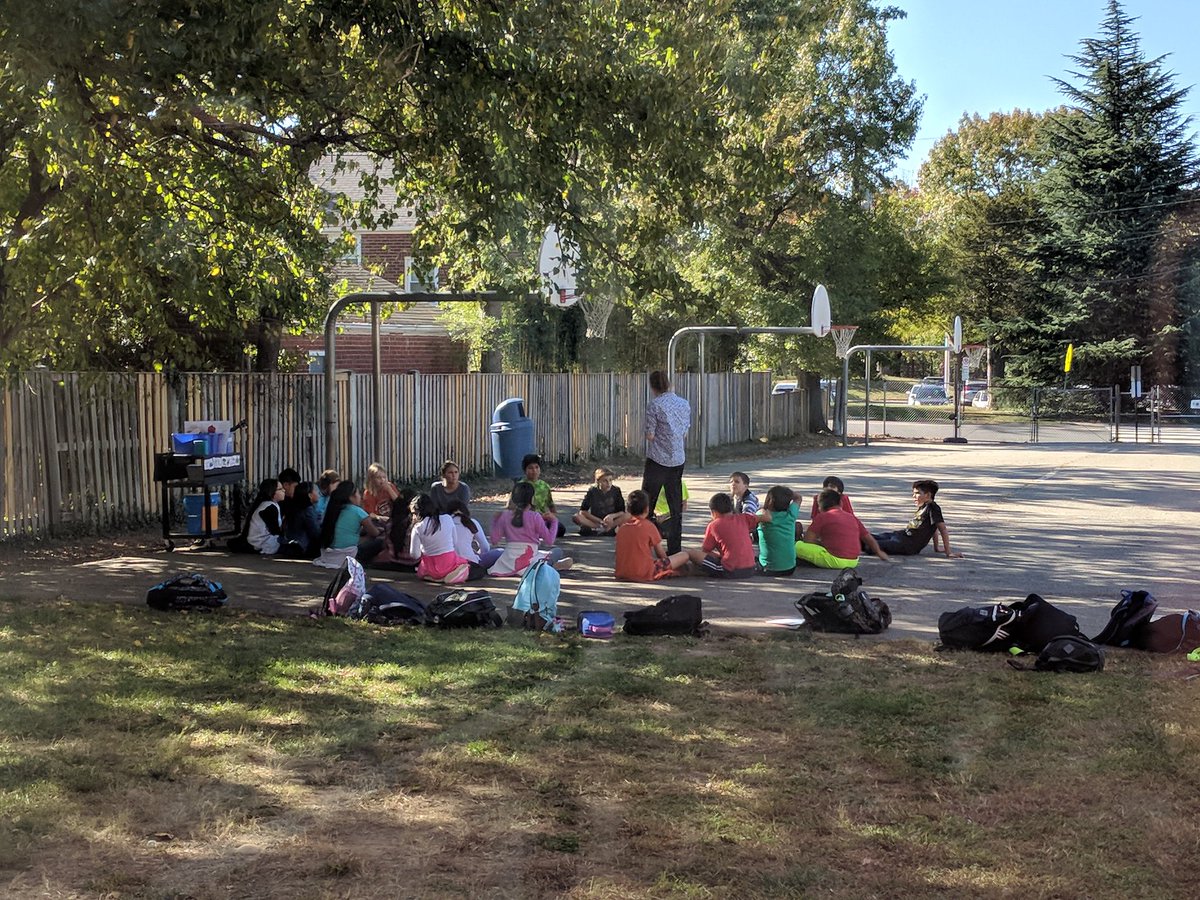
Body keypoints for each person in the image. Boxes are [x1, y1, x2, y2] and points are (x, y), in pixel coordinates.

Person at [641, 370, 690, 554]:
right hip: (678, 458)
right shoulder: (684, 404)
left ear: (652, 387)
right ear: (669, 384)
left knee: (647, 503)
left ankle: (644, 545)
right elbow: (685, 431)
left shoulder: (654, 406)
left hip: (658, 459)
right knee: (675, 504)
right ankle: (674, 548)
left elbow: (650, 435)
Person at [489, 482, 571, 575]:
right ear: (532, 499)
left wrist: (495, 521)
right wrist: (554, 521)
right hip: (530, 561)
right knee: (557, 551)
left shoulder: (505, 515)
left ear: (513, 499)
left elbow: (494, 541)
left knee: (497, 553)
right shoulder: (535, 516)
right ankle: (550, 566)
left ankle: (550, 565)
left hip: (507, 562)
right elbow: (549, 541)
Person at [796, 488, 888, 569]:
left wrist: (821, 544)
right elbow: (868, 538)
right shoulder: (852, 517)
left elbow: (808, 540)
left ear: (820, 507)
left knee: (796, 546)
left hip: (835, 560)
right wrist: (879, 552)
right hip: (853, 561)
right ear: (841, 503)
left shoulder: (822, 517)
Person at [871, 479, 964, 558]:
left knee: (870, 546)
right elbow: (933, 527)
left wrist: (949, 553)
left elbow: (942, 529)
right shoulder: (924, 506)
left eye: (917, 493)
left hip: (907, 545)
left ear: (927, 495)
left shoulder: (933, 508)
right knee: (868, 537)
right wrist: (936, 547)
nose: (913, 496)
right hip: (900, 536)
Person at [614, 489, 689, 581]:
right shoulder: (649, 526)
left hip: (622, 573)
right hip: (645, 573)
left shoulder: (621, 528)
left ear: (628, 509)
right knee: (685, 555)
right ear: (647, 509)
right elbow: (660, 554)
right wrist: (668, 562)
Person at [408, 493, 481, 583]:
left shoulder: (417, 528)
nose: (413, 517)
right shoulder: (447, 518)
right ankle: (451, 576)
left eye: (414, 514)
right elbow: (455, 542)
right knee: (478, 569)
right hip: (449, 563)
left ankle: (434, 578)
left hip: (428, 567)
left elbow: (415, 555)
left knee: (421, 572)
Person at [685, 492, 757, 578]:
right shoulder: (742, 518)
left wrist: (718, 556)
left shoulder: (714, 525)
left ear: (713, 512)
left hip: (731, 569)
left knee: (692, 553)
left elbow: (705, 550)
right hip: (751, 568)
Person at [313, 481, 384, 568]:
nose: (360, 497)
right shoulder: (358, 511)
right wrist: (380, 530)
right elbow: (374, 533)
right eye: (358, 493)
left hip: (328, 555)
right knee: (381, 541)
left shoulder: (331, 509)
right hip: (348, 555)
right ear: (351, 497)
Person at [368, 488, 419, 571]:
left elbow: (386, 544)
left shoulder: (390, 523)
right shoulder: (418, 524)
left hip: (394, 561)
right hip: (414, 563)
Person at [447, 498, 502, 571]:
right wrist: (479, 555)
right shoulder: (471, 522)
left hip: (450, 564)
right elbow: (485, 547)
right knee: (500, 551)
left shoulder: (445, 524)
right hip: (471, 564)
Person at [756, 485, 800, 576]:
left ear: (769, 501)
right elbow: (798, 497)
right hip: (790, 568)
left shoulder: (763, 515)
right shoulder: (791, 514)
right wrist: (788, 494)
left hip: (768, 569)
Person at [518, 453, 565, 538]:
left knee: (560, 528)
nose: (534, 471)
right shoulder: (520, 486)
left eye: (536, 467)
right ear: (525, 470)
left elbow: (552, 508)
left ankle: (540, 532)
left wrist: (550, 515)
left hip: (543, 520)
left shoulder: (544, 486)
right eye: (530, 468)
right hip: (526, 520)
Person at [573, 467, 625, 536]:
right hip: (596, 522)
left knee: (629, 515)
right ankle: (599, 529)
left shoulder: (616, 490)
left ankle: (609, 528)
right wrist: (599, 521)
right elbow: (583, 511)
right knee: (576, 517)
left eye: (610, 480)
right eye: (605, 481)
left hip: (611, 521)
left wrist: (612, 516)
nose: (608, 483)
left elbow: (622, 511)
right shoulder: (592, 491)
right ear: (598, 481)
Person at [277, 480, 322, 559]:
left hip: (289, 547)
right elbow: (316, 533)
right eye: (317, 491)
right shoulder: (307, 510)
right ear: (310, 495)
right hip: (302, 549)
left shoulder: (294, 508)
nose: (319, 494)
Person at [242, 478, 285, 556]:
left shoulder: (272, 504)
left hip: (263, 541)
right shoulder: (268, 507)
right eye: (280, 489)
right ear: (271, 492)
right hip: (261, 543)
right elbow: (275, 530)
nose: (284, 491)